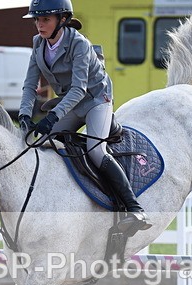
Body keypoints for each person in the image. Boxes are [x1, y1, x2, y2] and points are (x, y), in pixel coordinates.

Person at [18, 0, 151, 233]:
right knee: (42, 143)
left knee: (96, 151)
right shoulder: (38, 43)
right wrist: (24, 115)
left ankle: (134, 209)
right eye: (37, 19)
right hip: (70, 103)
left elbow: (79, 89)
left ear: (62, 19)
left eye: (45, 19)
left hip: (96, 100)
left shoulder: (79, 44)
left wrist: (53, 117)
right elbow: (30, 86)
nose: (39, 24)